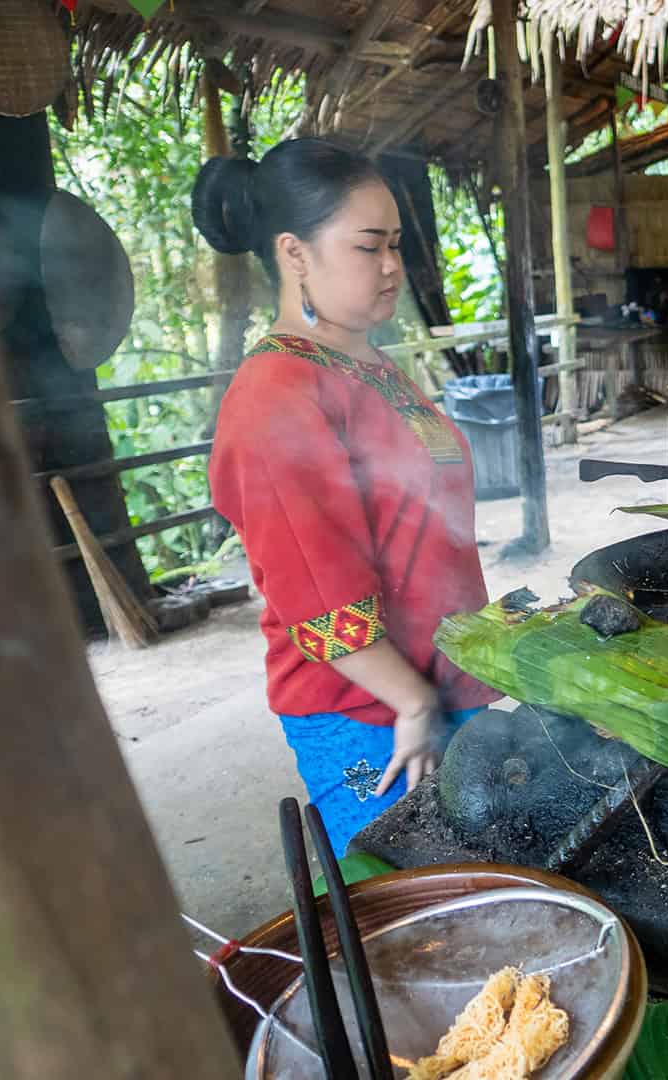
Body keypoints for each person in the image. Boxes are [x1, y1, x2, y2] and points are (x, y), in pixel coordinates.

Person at [194, 139, 499, 855]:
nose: (393, 266)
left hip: (441, 683)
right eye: (369, 247)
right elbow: (319, 596)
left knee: (483, 885)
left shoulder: (365, 362)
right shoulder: (275, 398)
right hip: (370, 710)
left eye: (394, 244)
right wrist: (414, 700)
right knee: (405, 904)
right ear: (295, 254)